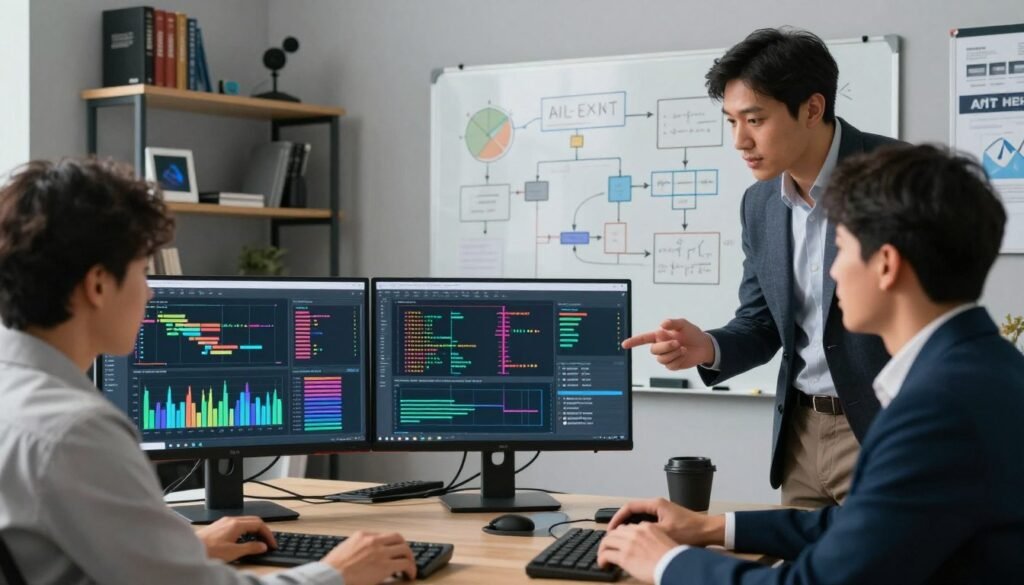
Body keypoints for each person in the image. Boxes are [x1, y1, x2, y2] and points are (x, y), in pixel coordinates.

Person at [599, 143, 1024, 584]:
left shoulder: (936, 410)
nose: (833, 272)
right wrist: (712, 527)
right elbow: (863, 524)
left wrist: (665, 563)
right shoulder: (985, 368)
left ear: (886, 266)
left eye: (840, 249)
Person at [0, 158, 416, 585]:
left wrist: (185, 551)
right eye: (144, 273)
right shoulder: (77, 433)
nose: (150, 292)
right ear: (99, 285)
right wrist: (337, 572)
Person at [623, 28, 901, 506]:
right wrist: (707, 346)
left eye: (754, 119)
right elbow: (762, 323)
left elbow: (930, 312)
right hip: (800, 434)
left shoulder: (899, 175)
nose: (739, 140)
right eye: (731, 121)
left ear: (812, 109)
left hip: (882, 430)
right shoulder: (760, 203)